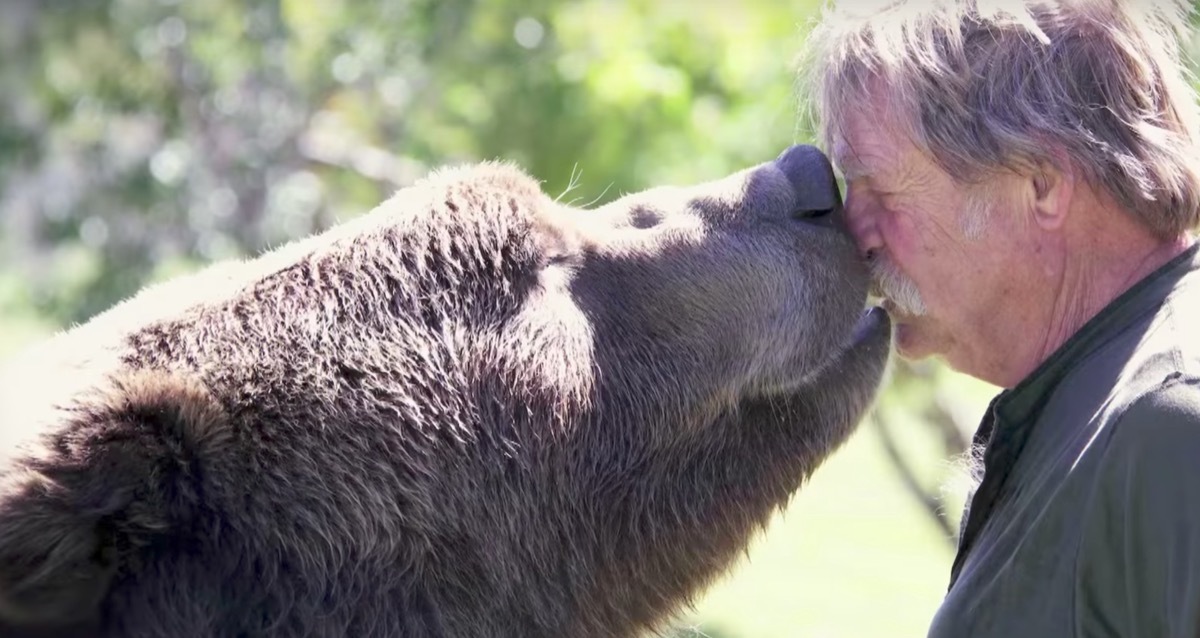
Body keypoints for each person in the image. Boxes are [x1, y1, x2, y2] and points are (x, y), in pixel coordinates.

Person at [805, 0, 1200, 636]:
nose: (858, 236)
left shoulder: (1174, 425)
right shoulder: (1111, 400)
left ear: (1041, 184)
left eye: (879, 188)